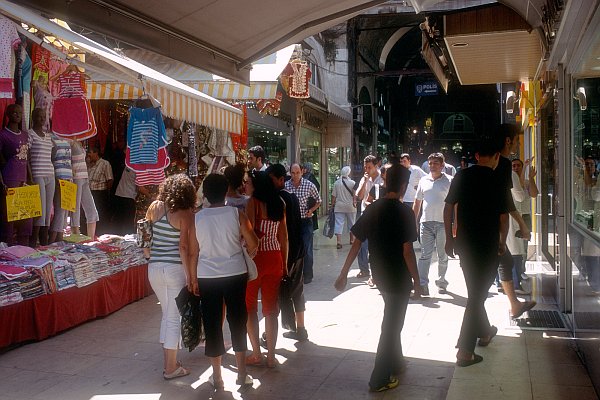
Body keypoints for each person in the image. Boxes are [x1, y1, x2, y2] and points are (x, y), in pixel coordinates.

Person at [334, 164, 420, 392]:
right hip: (398, 277)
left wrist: (343, 273)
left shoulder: (373, 209)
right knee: (392, 325)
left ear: (384, 182)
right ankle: (379, 377)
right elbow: (408, 252)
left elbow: (356, 241)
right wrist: (418, 282)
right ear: (403, 186)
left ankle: (397, 362)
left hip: (380, 274)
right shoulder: (405, 212)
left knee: (392, 318)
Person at [187, 173, 258, 390]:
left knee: (212, 323)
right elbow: (253, 243)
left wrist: (192, 279)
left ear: (205, 194)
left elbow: (193, 253)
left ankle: (217, 377)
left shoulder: (197, 218)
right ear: (226, 190)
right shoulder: (237, 215)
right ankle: (242, 374)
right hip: (235, 273)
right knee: (238, 320)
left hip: (207, 276)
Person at [444, 135, 509, 367]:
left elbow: (449, 206)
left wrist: (449, 238)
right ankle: (464, 350)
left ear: (477, 156)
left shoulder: (462, 176)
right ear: (496, 157)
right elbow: (504, 217)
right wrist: (502, 241)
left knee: (475, 291)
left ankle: (485, 331)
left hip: (464, 244)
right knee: (477, 295)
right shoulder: (499, 179)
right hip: (488, 244)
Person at [145, 174, 196, 380]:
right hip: (175, 269)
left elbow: (146, 234)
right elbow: (185, 248)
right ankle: (170, 368)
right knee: (174, 317)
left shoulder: (155, 207)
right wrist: (191, 277)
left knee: (167, 313)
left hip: (154, 267)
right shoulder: (187, 214)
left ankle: (170, 361)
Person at [245, 171, 288, 368]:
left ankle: (256, 354)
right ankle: (271, 356)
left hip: (256, 260)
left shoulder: (253, 203)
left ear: (257, 186)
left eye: (249, 183)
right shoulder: (280, 203)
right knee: (271, 309)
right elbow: (284, 237)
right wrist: (285, 263)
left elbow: (250, 233)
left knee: (250, 307)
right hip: (275, 258)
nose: (246, 185)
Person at [495, 124, 536, 318]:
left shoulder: (502, 167)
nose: (518, 145)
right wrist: (521, 223)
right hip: (495, 225)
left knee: (505, 259)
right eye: (516, 140)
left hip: (491, 225)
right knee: (506, 258)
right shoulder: (504, 168)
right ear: (508, 141)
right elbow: (513, 199)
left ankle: (514, 304)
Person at [268, 163, 308, 341]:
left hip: (283, 253)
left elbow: (280, 232)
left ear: (280, 180)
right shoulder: (293, 198)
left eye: (271, 179)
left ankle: (270, 332)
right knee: (297, 290)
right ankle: (301, 329)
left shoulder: (275, 200)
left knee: (276, 293)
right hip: (298, 251)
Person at [412, 153, 453, 296]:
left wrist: (455, 224)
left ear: (442, 165)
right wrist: (414, 222)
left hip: (443, 224)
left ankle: (441, 282)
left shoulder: (450, 181)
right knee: (425, 255)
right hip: (426, 223)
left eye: (436, 163)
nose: (432, 166)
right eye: (430, 163)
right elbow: (417, 203)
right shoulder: (423, 180)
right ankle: (422, 284)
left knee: (443, 255)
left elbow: (456, 205)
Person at [0, 104, 33, 246]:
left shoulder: (25, 135)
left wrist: (31, 179)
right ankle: (7, 249)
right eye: (13, 112)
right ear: (8, 114)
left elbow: (27, 159)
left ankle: (23, 249)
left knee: (26, 216)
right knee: (9, 216)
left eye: (19, 112)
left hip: (23, 179)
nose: (17, 114)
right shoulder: (3, 135)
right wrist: (1, 181)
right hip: (10, 177)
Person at [285, 163, 321, 284]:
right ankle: (294, 273)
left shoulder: (309, 185)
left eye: (298, 173)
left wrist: (311, 210)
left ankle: (307, 275)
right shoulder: (286, 185)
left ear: (302, 172)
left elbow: (318, 200)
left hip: (305, 221)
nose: (295, 175)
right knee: (293, 248)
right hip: (292, 222)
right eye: (293, 173)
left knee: (307, 248)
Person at [510, 158, 539, 290]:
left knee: (524, 246)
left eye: (518, 166)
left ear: (522, 167)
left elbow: (534, 194)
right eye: (513, 166)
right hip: (514, 217)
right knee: (515, 247)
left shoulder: (526, 182)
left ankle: (521, 270)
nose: (515, 168)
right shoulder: (510, 182)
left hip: (525, 216)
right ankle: (515, 273)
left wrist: (531, 178)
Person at [28, 108, 55, 246]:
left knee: (47, 209)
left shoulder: (48, 136)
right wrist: (30, 176)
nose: (41, 119)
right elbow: (26, 157)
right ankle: (34, 240)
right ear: (33, 118)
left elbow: (52, 154)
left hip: (50, 174)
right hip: (37, 174)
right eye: (39, 117)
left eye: (43, 117)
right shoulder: (29, 134)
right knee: (39, 210)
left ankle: (44, 241)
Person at [355, 155, 384, 279]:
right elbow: (359, 197)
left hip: (378, 216)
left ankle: (376, 272)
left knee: (376, 245)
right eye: (365, 167)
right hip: (365, 214)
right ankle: (364, 269)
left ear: (376, 165)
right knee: (362, 243)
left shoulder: (382, 179)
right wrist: (365, 182)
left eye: (369, 167)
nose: (367, 170)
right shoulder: (364, 179)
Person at [70, 141, 98, 239]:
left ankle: (91, 237)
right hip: (76, 177)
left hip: (84, 176)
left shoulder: (79, 142)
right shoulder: (70, 141)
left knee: (91, 209)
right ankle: (75, 233)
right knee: (76, 206)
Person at [49, 132, 72, 243]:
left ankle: (59, 236)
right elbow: (51, 158)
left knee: (64, 209)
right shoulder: (51, 138)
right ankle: (54, 239)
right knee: (59, 209)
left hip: (68, 176)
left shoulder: (67, 137)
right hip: (58, 176)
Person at [87, 146, 113, 235]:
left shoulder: (105, 164)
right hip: (90, 192)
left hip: (100, 193)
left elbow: (110, 179)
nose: (89, 155)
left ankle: (100, 233)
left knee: (100, 213)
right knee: (91, 214)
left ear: (96, 153)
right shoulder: (90, 164)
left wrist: (107, 193)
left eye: (90, 153)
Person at [331, 166, 356, 249]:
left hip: (339, 206)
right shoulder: (352, 183)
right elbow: (355, 196)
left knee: (339, 224)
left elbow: (333, 196)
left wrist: (332, 205)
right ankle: (351, 240)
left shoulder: (337, 183)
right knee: (351, 223)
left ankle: (338, 241)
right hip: (350, 206)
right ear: (348, 173)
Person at [112, 167, 137, 235]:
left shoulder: (128, 165)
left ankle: (117, 237)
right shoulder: (139, 168)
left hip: (120, 193)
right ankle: (126, 237)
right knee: (128, 221)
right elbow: (140, 187)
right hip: (129, 196)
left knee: (119, 220)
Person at [302, 162, 320, 231]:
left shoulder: (308, 177)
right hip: (310, 201)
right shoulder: (309, 176)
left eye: (305, 168)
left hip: (309, 202)